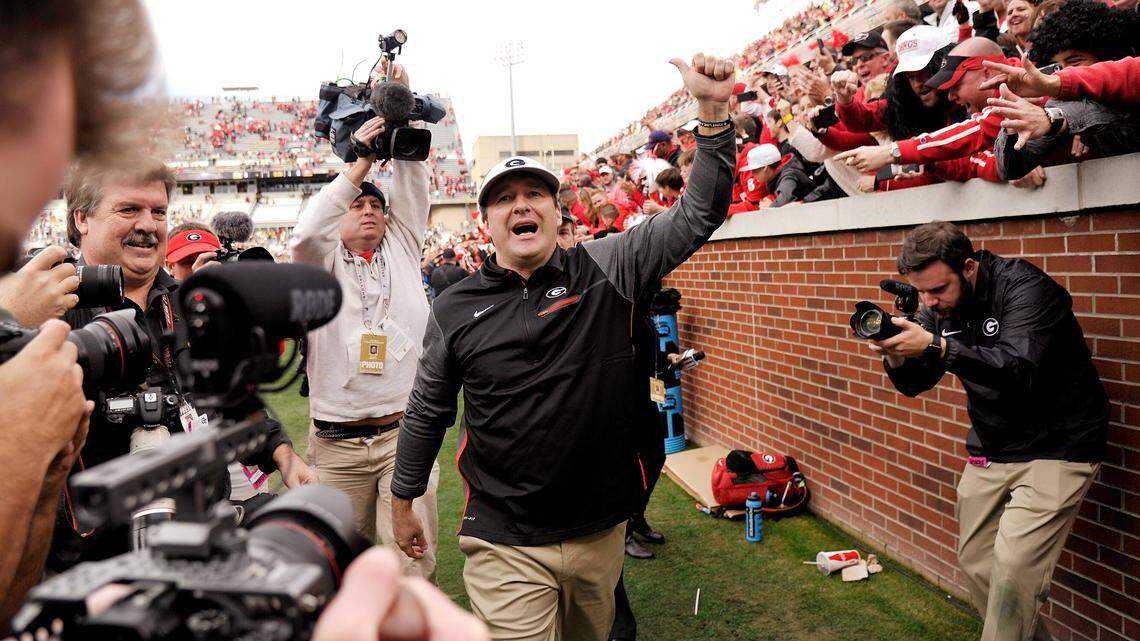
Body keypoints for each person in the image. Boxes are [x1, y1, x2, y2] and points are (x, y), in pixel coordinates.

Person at [390, 52, 736, 641]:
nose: (521, 204)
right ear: (487, 224)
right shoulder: (452, 307)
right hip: (504, 536)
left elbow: (700, 211)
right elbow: (428, 409)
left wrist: (711, 113)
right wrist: (402, 498)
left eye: (535, 194)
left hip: (600, 527)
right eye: (504, 198)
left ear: (557, 212)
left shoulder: (610, 267)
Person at [50, 160, 314, 570]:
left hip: (204, 530)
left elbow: (231, 393)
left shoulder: (190, 301)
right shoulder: (53, 307)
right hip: (96, 559)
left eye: (158, 212)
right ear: (81, 218)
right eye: (129, 210)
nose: (149, 225)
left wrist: (282, 453)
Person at [867, 221, 1107, 641]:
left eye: (938, 290)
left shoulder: (1026, 288)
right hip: (994, 445)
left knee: (1013, 569)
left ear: (969, 267)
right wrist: (896, 354)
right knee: (977, 564)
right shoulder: (935, 307)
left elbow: (1020, 370)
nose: (929, 301)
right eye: (921, 291)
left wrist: (938, 347)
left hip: (1059, 445)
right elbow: (915, 384)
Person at [290, 62, 440, 581]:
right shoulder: (319, 266)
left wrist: (398, 101)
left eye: (378, 203)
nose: (371, 208)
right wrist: (356, 167)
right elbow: (306, 236)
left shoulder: (402, 243)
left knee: (414, 570)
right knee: (340, 575)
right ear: (341, 213)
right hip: (335, 446)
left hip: (405, 437)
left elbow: (414, 184)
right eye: (359, 203)